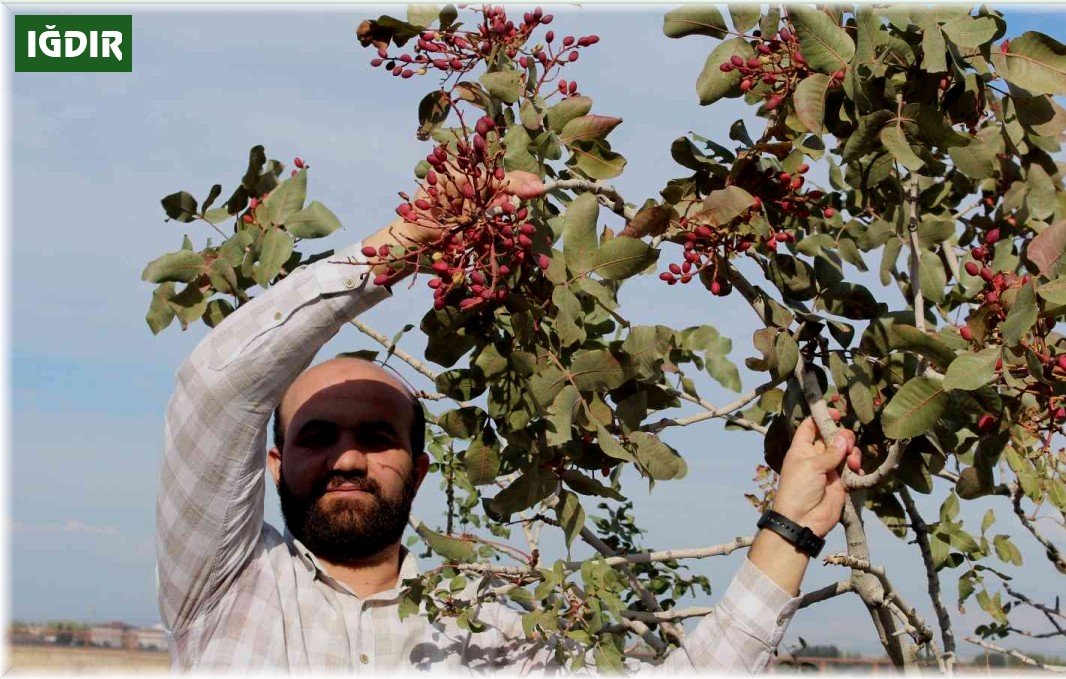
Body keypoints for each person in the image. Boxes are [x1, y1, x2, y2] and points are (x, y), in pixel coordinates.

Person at [155, 168, 864, 673]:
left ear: (420, 469)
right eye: (317, 436)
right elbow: (215, 385)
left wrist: (791, 529)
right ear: (274, 463)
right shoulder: (223, 585)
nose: (347, 458)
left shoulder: (486, 625)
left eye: (376, 437)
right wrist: (407, 243)